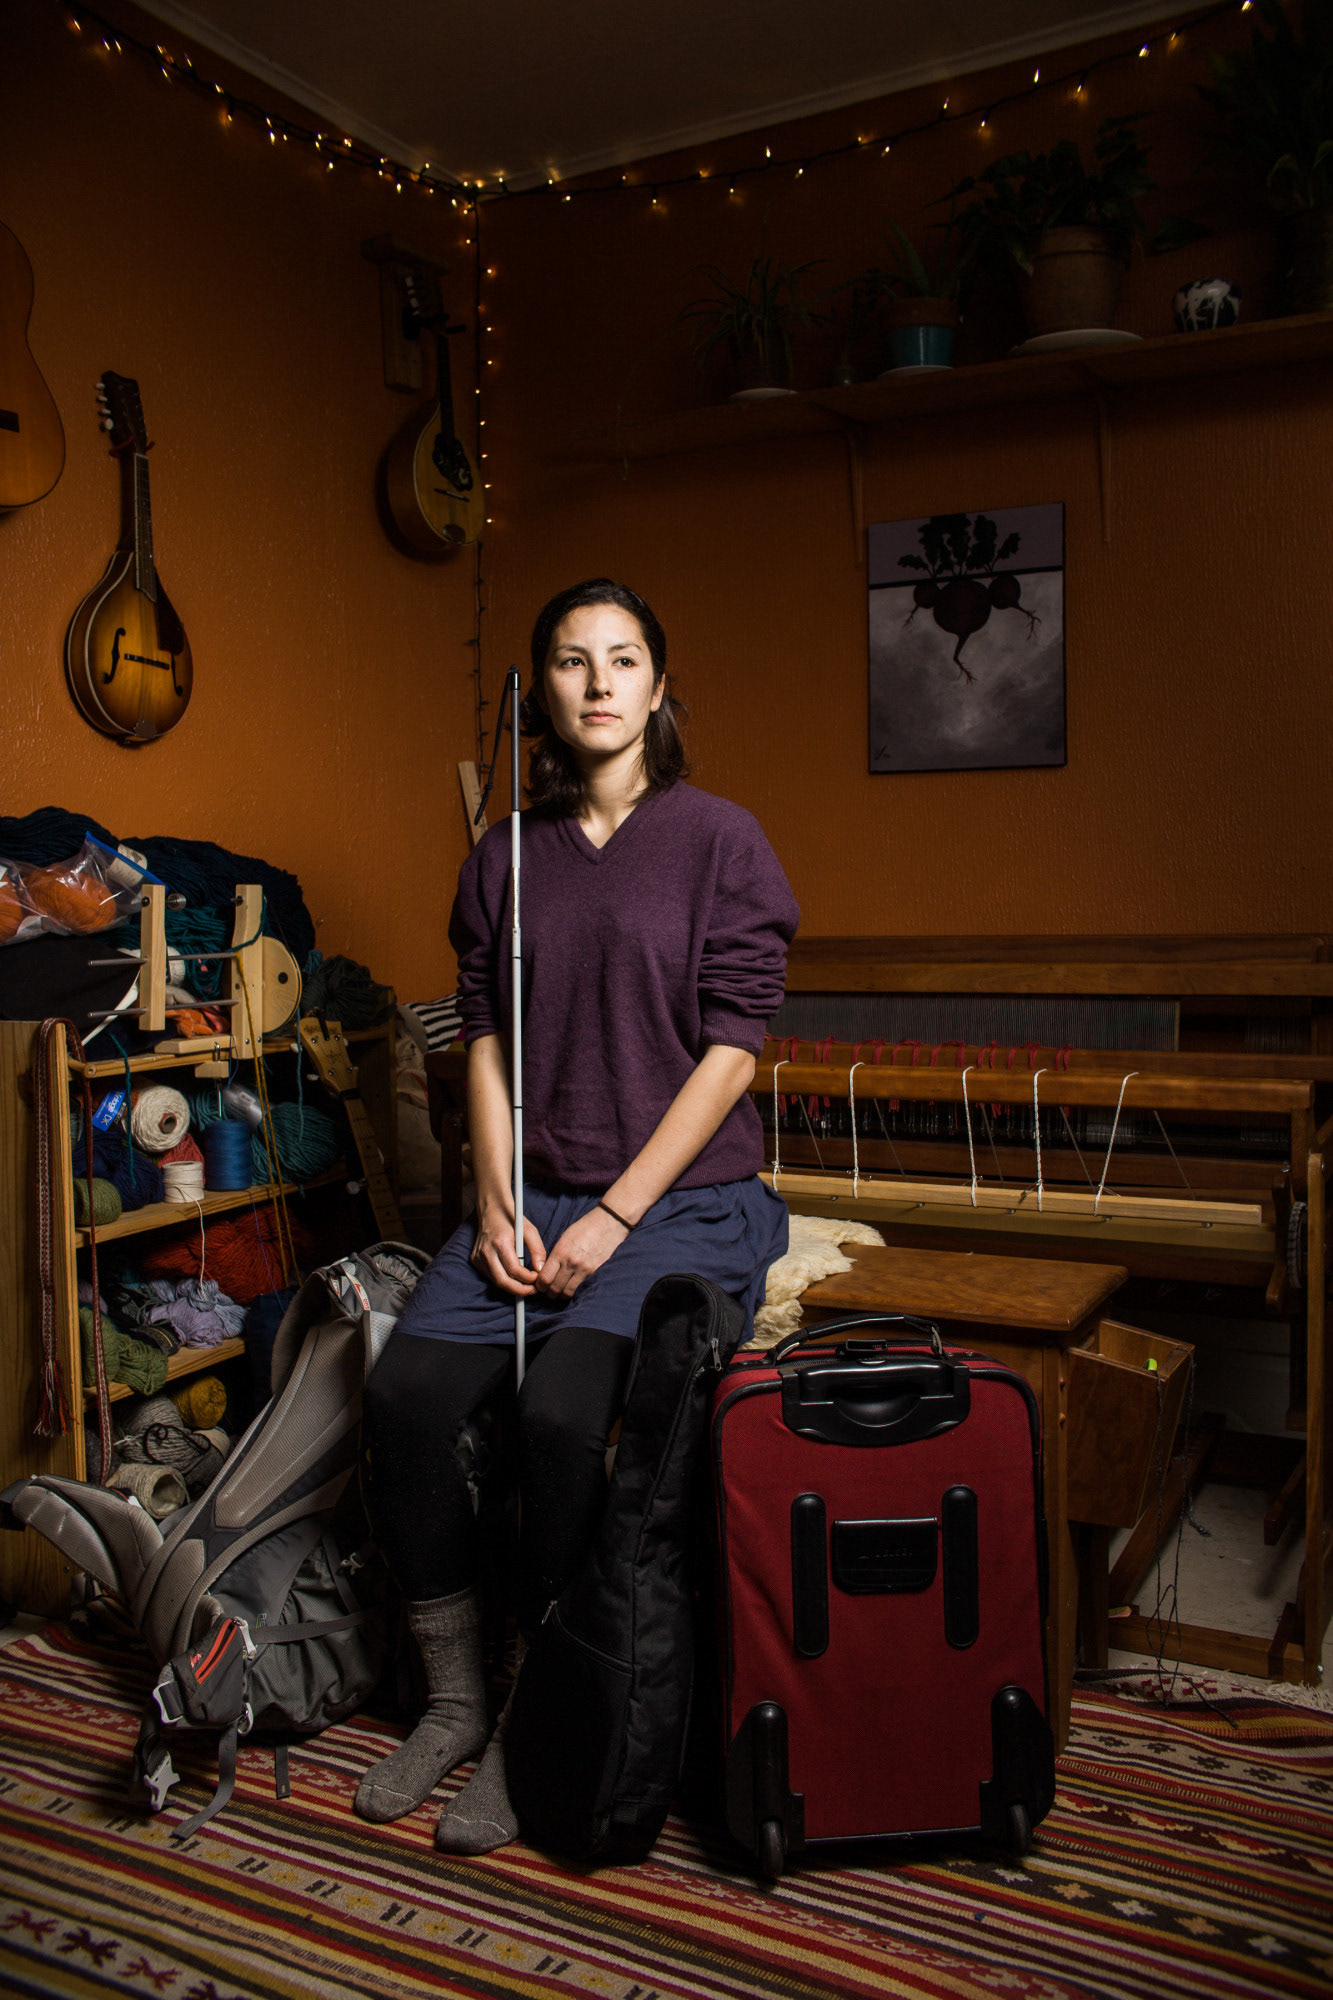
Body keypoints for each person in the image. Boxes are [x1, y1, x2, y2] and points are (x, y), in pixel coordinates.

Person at [358, 577, 798, 1853]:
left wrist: (611, 1213)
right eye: (570, 659)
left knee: (559, 1416)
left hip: (679, 1201)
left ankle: (529, 1716)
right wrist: (497, 1203)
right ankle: (455, 1698)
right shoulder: (504, 854)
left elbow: (731, 1055)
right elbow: (484, 1039)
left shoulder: (721, 841)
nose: (598, 682)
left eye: (623, 659)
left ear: (659, 687)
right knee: (402, 1399)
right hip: (536, 1187)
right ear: (540, 692)